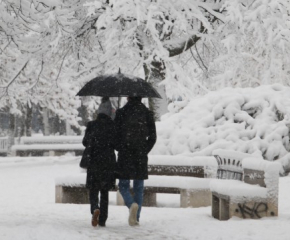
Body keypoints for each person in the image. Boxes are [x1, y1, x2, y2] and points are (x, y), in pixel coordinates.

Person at [114, 97, 157, 226]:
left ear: (127, 98)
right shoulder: (147, 113)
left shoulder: (121, 113)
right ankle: (136, 217)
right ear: (141, 98)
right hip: (140, 155)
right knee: (139, 188)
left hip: (125, 155)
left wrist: (120, 147)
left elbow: (115, 134)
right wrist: (144, 150)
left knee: (123, 186)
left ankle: (131, 204)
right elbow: (153, 136)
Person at [82, 97, 116, 227]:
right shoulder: (113, 125)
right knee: (104, 191)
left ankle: (95, 208)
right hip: (108, 162)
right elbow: (116, 144)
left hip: (94, 160)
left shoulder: (91, 125)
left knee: (94, 189)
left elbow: (85, 142)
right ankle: (103, 219)